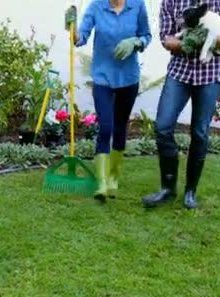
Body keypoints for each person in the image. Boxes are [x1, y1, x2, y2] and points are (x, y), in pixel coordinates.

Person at [142, 0, 220, 209]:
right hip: (179, 73)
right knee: (163, 127)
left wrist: (210, 40)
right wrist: (188, 42)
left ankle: (190, 192)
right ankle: (167, 189)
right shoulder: (170, 2)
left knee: (200, 132)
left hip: (210, 77)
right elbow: (167, 40)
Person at [66, 0, 152, 201]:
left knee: (120, 126)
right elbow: (80, 38)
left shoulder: (137, 5)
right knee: (106, 127)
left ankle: (113, 177)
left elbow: (146, 36)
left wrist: (136, 42)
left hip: (128, 78)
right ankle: (101, 182)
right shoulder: (96, 6)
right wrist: (72, 29)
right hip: (103, 77)